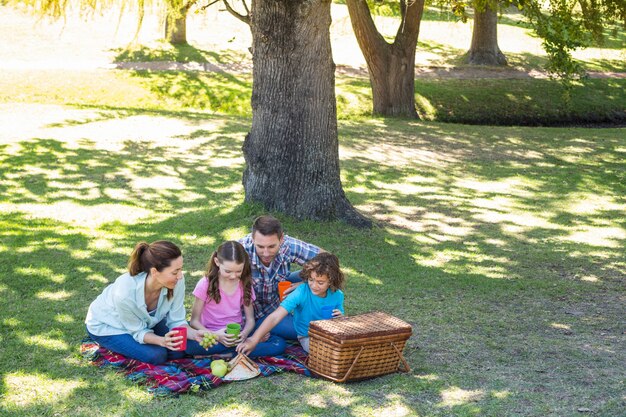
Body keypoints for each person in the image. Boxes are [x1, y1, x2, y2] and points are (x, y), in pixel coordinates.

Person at [85, 241, 203, 365]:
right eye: (175, 272)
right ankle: (113, 343)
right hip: (109, 326)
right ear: (154, 272)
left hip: (146, 323)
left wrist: (194, 334)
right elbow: (138, 331)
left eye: (180, 269)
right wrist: (162, 341)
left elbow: (177, 321)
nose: (180, 276)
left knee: (177, 351)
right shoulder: (124, 294)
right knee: (157, 355)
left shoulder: (176, 282)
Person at [185, 241, 286, 358]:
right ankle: (234, 352)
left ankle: (225, 354)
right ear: (217, 262)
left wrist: (244, 335)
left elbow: (250, 320)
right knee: (190, 346)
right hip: (211, 335)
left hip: (237, 335)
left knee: (279, 343)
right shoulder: (205, 284)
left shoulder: (244, 285)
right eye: (228, 271)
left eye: (238, 271)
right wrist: (216, 336)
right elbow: (194, 321)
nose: (233, 276)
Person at [237, 252, 345, 354]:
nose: (314, 285)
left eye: (320, 282)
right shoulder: (302, 291)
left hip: (327, 335)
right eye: (311, 280)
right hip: (306, 335)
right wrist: (254, 339)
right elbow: (275, 316)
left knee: (342, 347)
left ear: (331, 280)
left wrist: (340, 317)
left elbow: (339, 320)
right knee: (324, 351)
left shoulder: (337, 295)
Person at [239, 215, 323, 339]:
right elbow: (216, 279)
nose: (266, 253)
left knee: (313, 274)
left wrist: (304, 285)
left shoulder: (288, 245)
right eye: (260, 247)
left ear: (281, 239)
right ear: (252, 238)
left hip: (275, 304)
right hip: (251, 315)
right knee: (308, 332)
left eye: (272, 246)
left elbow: (329, 261)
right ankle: (260, 329)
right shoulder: (240, 250)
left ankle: (300, 314)